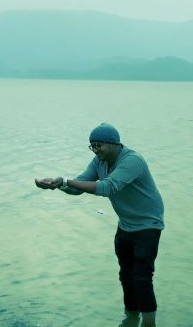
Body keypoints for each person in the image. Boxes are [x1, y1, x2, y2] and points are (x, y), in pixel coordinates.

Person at [35, 123, 165, 326]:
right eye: (92, 146)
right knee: (125, 275)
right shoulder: (99, 162)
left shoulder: (133, 161)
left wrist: (66, 181)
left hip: (148, 225)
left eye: (98, 145)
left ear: (113, 144)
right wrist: (58, 185)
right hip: (125, 225)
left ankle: (150, 324)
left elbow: (107, 187)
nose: (95, 150)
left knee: (142, 278)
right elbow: (79, 186)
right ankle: (130, 318)